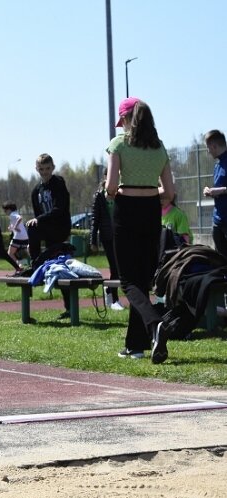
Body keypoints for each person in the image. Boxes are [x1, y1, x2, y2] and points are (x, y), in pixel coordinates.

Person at [106, 97, 175, 363]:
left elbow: (112, 187)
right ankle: (135, 346)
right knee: (142, 279)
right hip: (150, 212)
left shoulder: (118, 144)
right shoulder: (160, 148)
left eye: (122, 120)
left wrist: (112, 192)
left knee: (128, 281)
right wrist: (149, 191)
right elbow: (169, 192)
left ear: (127, 119)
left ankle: (155, 323)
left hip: (126, 212)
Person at [27, 153, 72, 319]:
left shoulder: (58, 183)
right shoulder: (35, 191)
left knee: (63, 267)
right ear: (37, 169)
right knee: (32, 227)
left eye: (47, 169)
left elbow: (59, 209)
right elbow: (37, 217)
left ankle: (70, 307)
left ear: (52, 168)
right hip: (47, 230)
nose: (44, 172)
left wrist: (38, 220)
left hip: (59, 229)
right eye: (41, 169)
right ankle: (35, 263)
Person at [89, 173, 125, 311]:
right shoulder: (99, 197)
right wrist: (93, 241)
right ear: (105, 178)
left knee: (121, 268)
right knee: (115, 267)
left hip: (121, 237)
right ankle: (114, 299)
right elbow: (94, 219)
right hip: (108, 238)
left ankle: (109, 289)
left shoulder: (121, 194)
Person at [202, 130, 227, 257]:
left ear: (214, 146)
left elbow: (223, 189)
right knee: (220, 261)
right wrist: (210, 191)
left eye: (208, 147)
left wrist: (221, 190)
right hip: (218, 221)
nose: (208, 151)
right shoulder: (218, 165)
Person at [2, 202, 30, 269]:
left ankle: (19, 267)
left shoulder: (12, 215)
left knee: (10, 254)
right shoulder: (15, 213)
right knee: (27, 253)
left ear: (9, 209)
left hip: (18, 237)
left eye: (5, 210)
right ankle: (28, 264)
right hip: (25, 236)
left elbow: (20, 218)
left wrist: (15, 226)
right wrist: (12, 228)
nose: (5, 212)